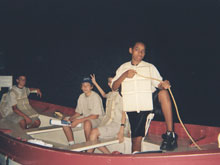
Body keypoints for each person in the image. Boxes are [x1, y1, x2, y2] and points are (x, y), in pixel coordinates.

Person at [111, 41, 177, 152]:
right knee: (135, 143)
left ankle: (170, 134)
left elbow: (159, 84)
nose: (140, 53)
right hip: (134, 107)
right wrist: (125, 75)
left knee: (163, 93)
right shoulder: (123, 67)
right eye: (137, 49)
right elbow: (114, 87)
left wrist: (164, 84)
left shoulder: (150, 67)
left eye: (143, 51)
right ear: (131, 50)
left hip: (149, 102)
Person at [87, 74, 126, 154]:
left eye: (114, 81)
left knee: (93, 133)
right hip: (107, 122)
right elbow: (104, 95)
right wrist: (95, 83)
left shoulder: (122, 95)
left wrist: (121, 131)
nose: (111, 84)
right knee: (92, 135)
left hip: (117, 124)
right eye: (110, 82)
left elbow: (124, 113)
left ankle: (86, 158)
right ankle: (109, 156)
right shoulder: (111, 94)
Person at [62, 77, 104, 145]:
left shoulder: (95, 97)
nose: (85, 87)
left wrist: (78, 121)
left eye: (87, 85)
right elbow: (78, 113)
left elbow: (95, 116)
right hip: (86, 117)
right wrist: (70, 119)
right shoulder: (81, 96)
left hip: (98, 119)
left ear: (91, 87)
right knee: (65, 121)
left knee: (87, 123)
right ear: (81, 87)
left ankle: (88, 145)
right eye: (83, 85)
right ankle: (71, 144)